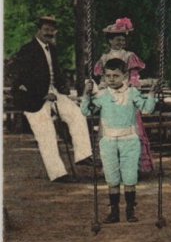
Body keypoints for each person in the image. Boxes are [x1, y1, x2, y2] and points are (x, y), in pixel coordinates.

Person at [10, 15, 92, 182]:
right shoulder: (27, 50)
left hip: (54, 92)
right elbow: (19, 79)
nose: (49, 33)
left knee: (76, 114)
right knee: (46, 134)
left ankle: (83, 155)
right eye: (46, 30)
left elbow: (57, 73)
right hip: (33, 99)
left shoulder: (53, 49)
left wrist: (64, 89)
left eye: (52, 30)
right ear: (38, 30)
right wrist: (41, 94)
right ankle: (58, 174)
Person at [81, 59, 160, 223]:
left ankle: (130, 210)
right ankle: (114, 212)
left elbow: (147, 109)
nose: (111, 79)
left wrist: (152, 93)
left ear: (125, 76)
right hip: (108, 140)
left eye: (115, 76)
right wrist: (86, 94)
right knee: (112, 176)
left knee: (130, 175)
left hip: (129, 140)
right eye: (108, 76)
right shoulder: (102, 95)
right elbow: (86, 111)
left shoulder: (132, 93)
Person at [92, 18, 154, 174]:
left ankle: (134, 166)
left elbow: (134, 77)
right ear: (109, 41)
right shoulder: (104, 58)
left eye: (122, 40)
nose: (120, 43)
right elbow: (102, 79)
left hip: (126, 95)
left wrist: (128, 88)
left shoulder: (129, 56)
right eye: (116, 40)